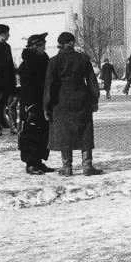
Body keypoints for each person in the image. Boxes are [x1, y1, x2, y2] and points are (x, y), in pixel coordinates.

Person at [43, 32, 102, 176]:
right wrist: (94, 100)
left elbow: (49, 85)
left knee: (65, 134)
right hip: (82, 100)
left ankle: (67, 167)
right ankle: (87, 166)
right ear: (72, 43)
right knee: (85, 132)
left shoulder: (54, 61)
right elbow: (92, 82)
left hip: (61, 102)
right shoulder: (83, 59)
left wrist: (46, 106)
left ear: (60, 44)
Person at [17, 33, 53, 175]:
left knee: (43, 131)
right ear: (35, 46)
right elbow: (27, 87)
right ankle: (30, 163)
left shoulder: (43, 59)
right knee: (31, 132)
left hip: (43, 101)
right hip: (31, 103)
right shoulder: (28, 63)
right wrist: (30, 105)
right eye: (42, 44)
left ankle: (38, 161)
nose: (44, 46)